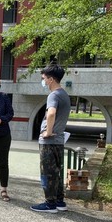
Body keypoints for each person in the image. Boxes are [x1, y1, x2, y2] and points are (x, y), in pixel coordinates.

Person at [31, 64, 71, 213]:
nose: (43, 81)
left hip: (49, 141)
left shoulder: (53, 95)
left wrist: (47, 132)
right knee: (57, 172)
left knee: (47, 172)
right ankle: (59, 201)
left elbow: (51, 113)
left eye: (44, 78)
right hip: (59, 140)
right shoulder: (65, 94)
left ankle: (50, 203)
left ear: (51, 79)